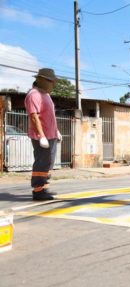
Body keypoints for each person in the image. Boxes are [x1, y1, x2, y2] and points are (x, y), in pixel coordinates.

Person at [24, 68, 62, 200]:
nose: (53, 84)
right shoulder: (33, 95)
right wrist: (41, 136)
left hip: (51, 135)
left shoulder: (46, 95)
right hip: (42, 137)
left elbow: (49, 116)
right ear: (41, 80)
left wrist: (56, 131)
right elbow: (34, 117)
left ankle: (44, 188)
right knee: (41, 163)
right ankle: (38, 191)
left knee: (48, 163)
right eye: (51, 81)